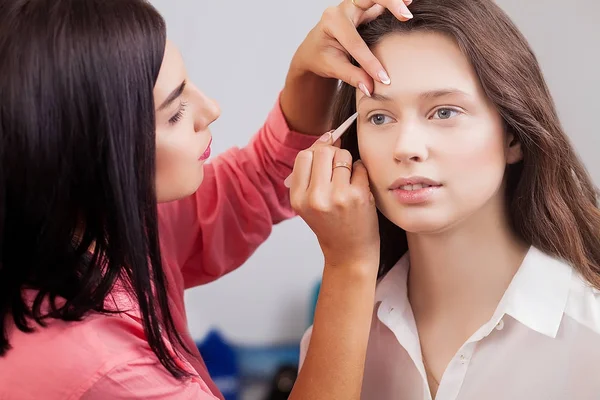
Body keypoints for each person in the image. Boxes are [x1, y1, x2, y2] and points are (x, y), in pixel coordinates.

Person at [0, 0, 414, 399]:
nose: (211, 109)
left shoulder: (91, 224)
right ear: (85, 155)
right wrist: (350, 264)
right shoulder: (102, 371)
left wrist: (311, 71)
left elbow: (255, 182)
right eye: (175, 110)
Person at [298, 0, 600, 399]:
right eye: (379, 118)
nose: (406, 148)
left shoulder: (590, 332)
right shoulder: (330, 347)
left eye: (444, 112)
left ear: (513, 135)